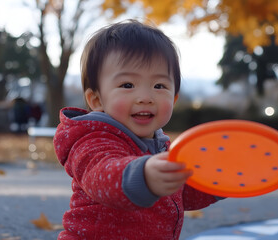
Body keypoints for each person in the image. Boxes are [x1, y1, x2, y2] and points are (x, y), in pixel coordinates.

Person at [53, 19, 224, 240]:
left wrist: (216, 179)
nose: (145, 98)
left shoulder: (161, 147)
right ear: (96, 100)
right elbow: (102, 175)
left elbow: (180, 191)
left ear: (174, 98)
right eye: (127, 85)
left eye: (159, 86)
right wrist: (142, 175)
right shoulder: (92, 140)